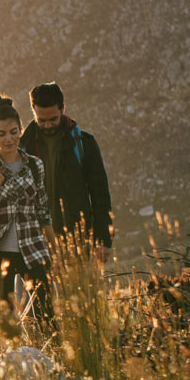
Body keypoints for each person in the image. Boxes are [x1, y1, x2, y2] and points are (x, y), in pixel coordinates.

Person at [0, 93, 52, 326]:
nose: (9, 139)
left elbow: (43, 209)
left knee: (47, 318)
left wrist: (55, 250)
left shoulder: (35, 165)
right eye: (2, 134)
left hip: (33, 249)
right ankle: (10, 362)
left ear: (21, 130)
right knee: (5, 324)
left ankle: (48, 361)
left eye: (13, 132)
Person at [19, 81, 113, 263]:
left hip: (77, 240)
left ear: (63, 109)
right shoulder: (23, 147)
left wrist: (103, 240)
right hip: (35, 240)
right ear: (33, 111)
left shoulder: (84, 143)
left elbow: (100, 193)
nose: (47, 125)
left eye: (52, 119)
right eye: (41, 120)